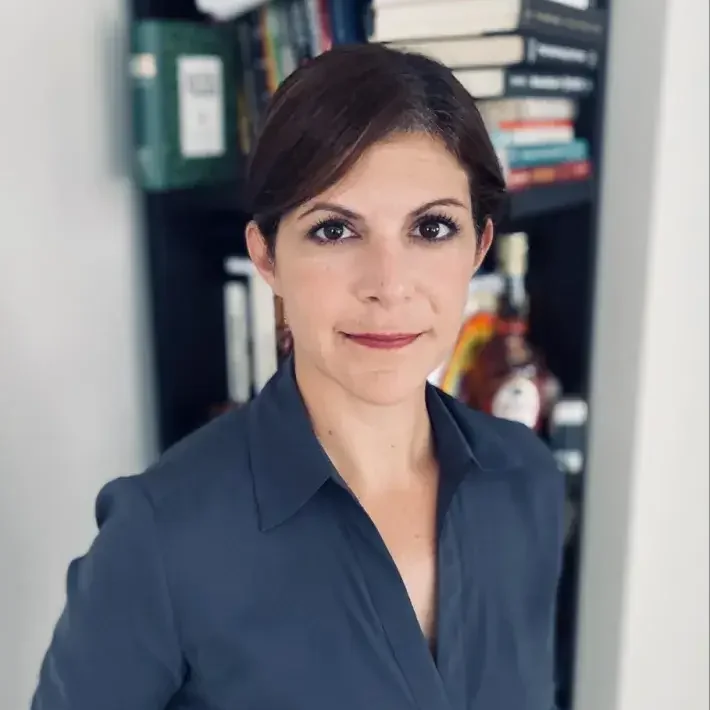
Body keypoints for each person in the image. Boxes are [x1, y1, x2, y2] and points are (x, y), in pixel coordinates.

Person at [32, 43, 565, 710]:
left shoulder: (528, 482)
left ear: (479, 247)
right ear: (267, 257)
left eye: (431, 228)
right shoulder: (162, 538)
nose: (389, 285)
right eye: (335, 231)